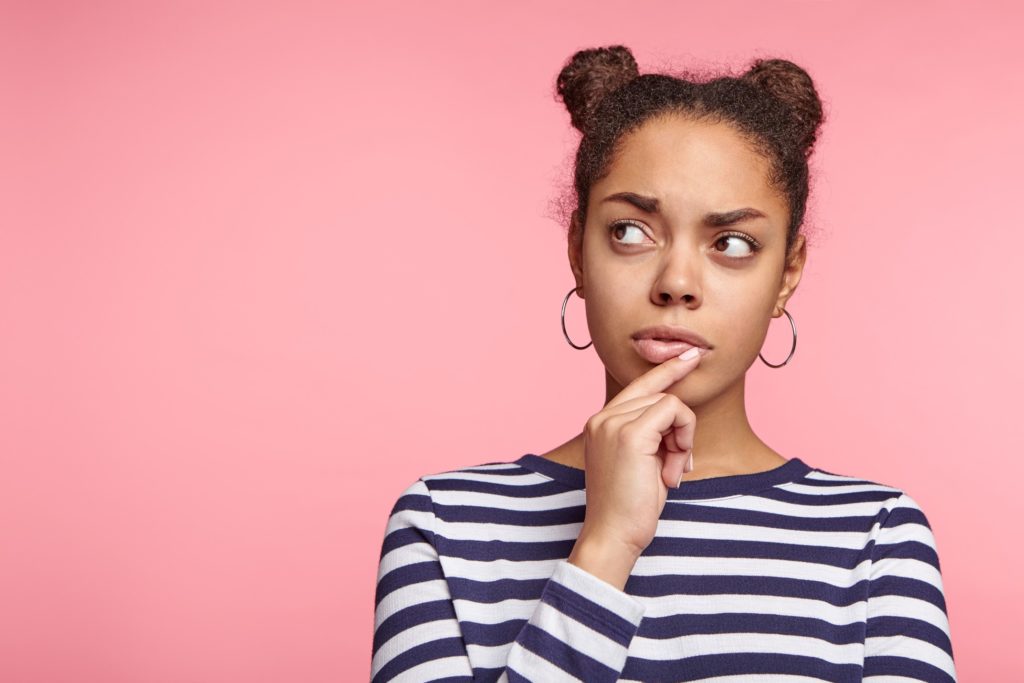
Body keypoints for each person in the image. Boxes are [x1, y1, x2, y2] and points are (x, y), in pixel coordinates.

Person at [369, 45, 956, 682]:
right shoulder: (445, 523)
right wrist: (604, 547)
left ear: (787, 275)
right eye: (630, 232)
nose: (677, 283)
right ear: (578, 252)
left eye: (732, 244)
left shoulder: (874, 540)